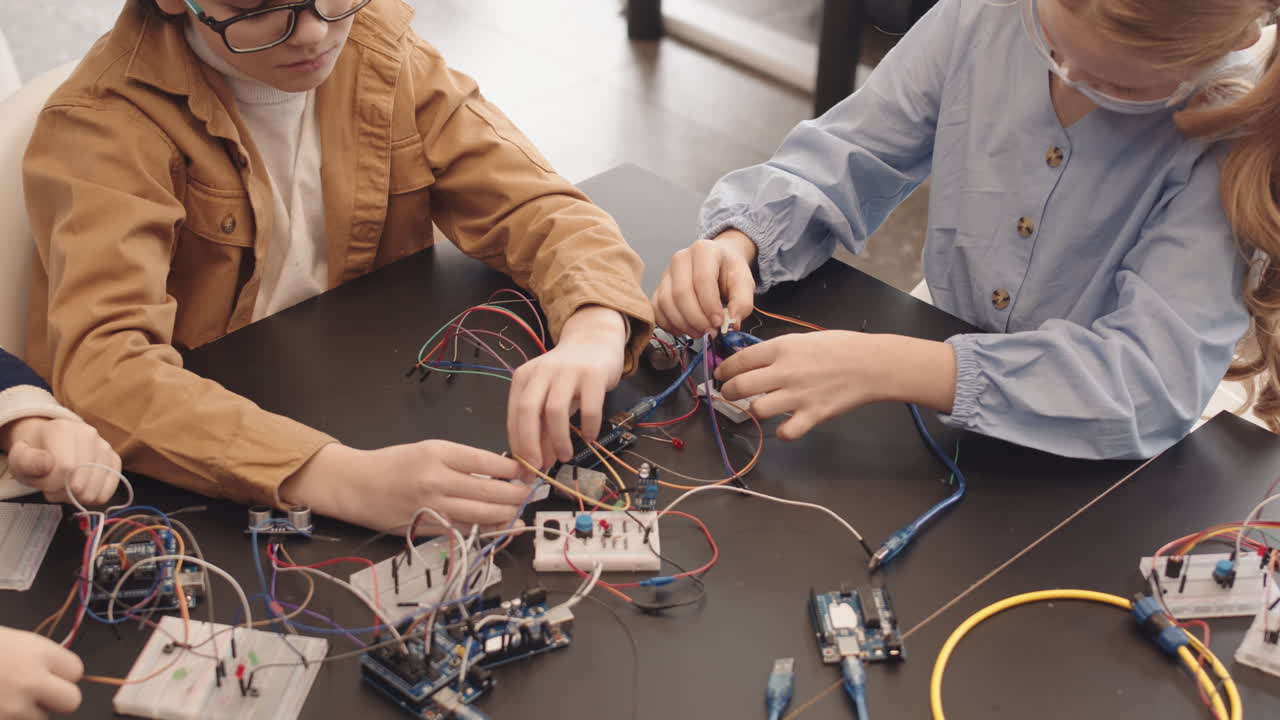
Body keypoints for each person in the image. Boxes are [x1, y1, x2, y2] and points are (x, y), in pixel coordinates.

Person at [23, 0, 654, 533]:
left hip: (370, 397)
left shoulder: (381, 50)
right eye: (261, 8)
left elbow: (540, 207)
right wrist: (339, 479)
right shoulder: (100, 128)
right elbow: (108, 370)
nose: (314, 33)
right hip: (213, 458)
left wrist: (597, 324)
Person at [652, 0, 1273, 459]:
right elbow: (851, 153)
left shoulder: (1231, 127)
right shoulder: (987, 14)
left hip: (1102, 448)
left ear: (1239, 35)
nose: (1068, 76)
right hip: (932, 365)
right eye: (1052, 46)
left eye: (1118, 86)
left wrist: (890, 365)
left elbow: (1144, 383)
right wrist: (742, 239)